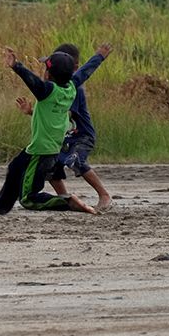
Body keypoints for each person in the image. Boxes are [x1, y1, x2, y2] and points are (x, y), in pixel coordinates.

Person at [0, 48, 96, 215]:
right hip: (48, 148)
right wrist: (99, 57)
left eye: (45, 68)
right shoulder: (71, 87)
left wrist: (17, 66)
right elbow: (85, 72)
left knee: (28, 199)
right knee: (15, 167)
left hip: (40, 152)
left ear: (48, 74)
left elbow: (32, 81)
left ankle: (67, 202)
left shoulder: (47, 91)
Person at [42, 42, 113, 211]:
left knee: (75, 161)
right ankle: (65, 198)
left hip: (82, 135)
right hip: (66, 136)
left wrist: (98, 57)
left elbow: (63, 114)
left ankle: (104, 194)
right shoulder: (57, 89)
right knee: (51, 165)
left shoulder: (74, 89)